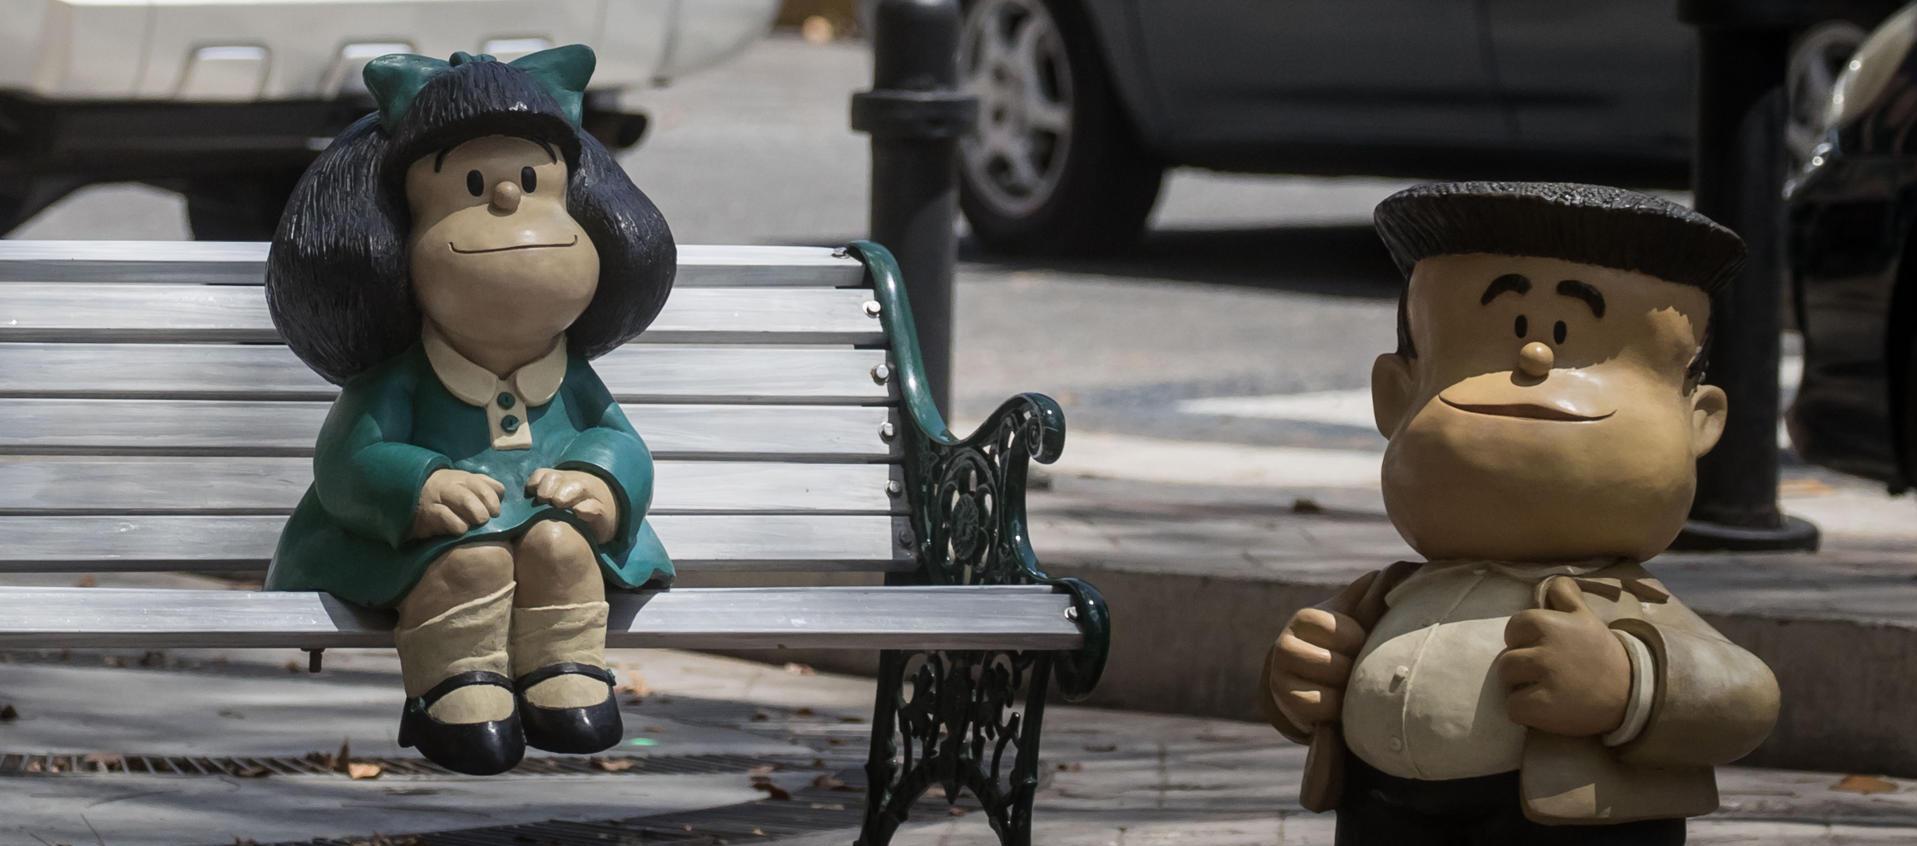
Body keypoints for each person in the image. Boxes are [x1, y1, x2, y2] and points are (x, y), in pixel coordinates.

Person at [1261, 182, 1780, 844]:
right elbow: (1309, 676)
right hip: (1378, 810)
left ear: (1697, 420)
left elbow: (1743, 700)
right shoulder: (1385, 596)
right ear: (1395, 396)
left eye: (1569, 340)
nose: (1533, 357)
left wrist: (1627, 688)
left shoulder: (1619, 605)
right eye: (1500, 336)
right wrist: (1298, 677)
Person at [262, 45, 676, 775]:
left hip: (552, 520)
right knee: (471, 561)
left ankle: (565, 670)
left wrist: (601, 479)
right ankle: (453, 684)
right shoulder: (401, 380)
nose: (510, 204)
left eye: (531, 180)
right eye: (476, 185)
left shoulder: (570, 377)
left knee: (561, 550)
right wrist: (417, 483)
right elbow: (348, 463)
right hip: (419, 543)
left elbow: (620, 441)